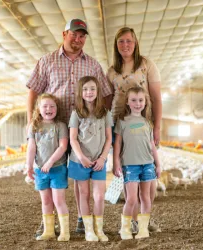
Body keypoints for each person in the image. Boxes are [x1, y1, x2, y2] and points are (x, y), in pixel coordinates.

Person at [26, 18, 113, 236]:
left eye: (82, 35)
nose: (78, 39)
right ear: (64, 34)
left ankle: (82, 219)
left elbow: (106, 92)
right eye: (74, 34)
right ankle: (49, 223)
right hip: (51, 130)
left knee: (78, 176)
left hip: (81, 132)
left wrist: (102, 121)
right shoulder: (46, 61)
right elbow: (34, 92)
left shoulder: (92, 64)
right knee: (51, 176)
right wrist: (31, 122)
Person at [107, 27, 162, 233]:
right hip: (121, 127)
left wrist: (157, 126)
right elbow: (106, 101)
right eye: (121, 41)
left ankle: (144, 219)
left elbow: (156, 98)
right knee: (129, 177)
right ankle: (135, 222)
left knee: (150, 182)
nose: (125, 45)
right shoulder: (112, 70)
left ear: (135, 42)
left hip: (145, 126)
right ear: (116, 45)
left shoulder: (147, 65)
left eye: (129, 41)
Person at [113, 86, 161, 240]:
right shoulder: (122, 121)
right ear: (127, 102)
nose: (138, 103)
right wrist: (116, 162)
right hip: (130, 164)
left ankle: (143, 228)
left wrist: (158, 164)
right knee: (132, 198)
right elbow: (118, 144)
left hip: (147, 164)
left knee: (146, 197)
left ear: (145, 102)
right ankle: (125, 228)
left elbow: (152, 144)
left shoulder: (147, 122)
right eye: (133, 100)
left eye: (141, 100)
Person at [68, 76, 113, 241]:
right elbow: (73, 139)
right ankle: (89, 230)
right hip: (80, 160)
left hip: (99, 161)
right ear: (80, 92)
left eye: (92, 88)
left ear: (98, 91)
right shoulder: (76, 114)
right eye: (85, 89)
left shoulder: (105, 114)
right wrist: (81, 157)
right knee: (84, 194)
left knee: (99, 196)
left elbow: (109, 138)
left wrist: (102, 158)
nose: (89, 92)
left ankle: (99, 229)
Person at [26, 93, 70, 241]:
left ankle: (65, 231)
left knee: (58, 200)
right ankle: (49, 231)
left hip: (57, 168)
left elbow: (63, 146)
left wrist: (50, 162)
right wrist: (29, 166)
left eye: (52, 106)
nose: (49, 109)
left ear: (57, 108)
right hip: (40, 170)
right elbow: (31, 147)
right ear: (38, 108)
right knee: (46, 201)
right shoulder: (34, 126)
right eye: (45, 106)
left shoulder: (60, 126)